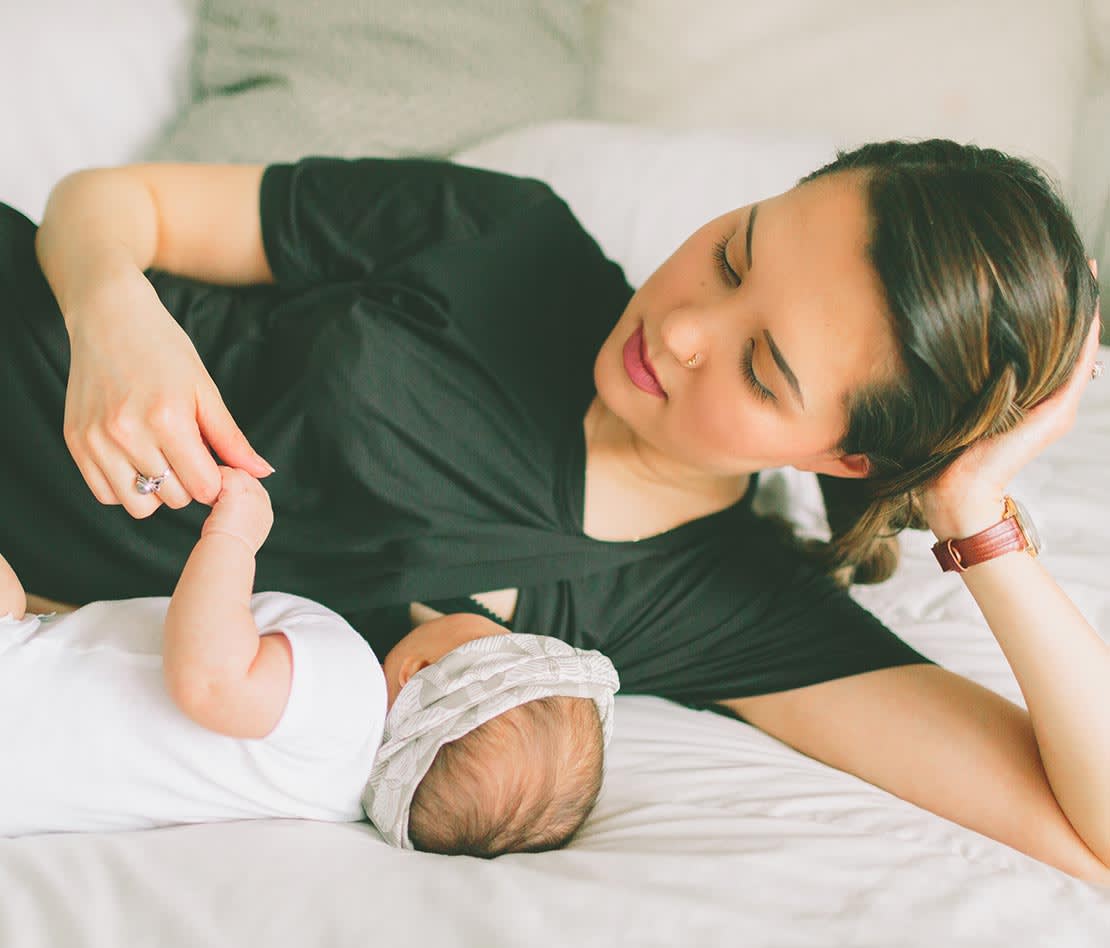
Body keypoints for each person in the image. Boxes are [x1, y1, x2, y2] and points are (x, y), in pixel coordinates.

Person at [0, 138, 1107, 882]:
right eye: (732, 254)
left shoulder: (722, 607)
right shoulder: (508, 240)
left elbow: (1093, 834)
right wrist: (114, 313)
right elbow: (111, 203)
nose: (679, 330)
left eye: (763, 372)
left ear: (851, 455)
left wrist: (974, 508)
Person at [0, 466, 619, 856]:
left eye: (500, 634)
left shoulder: (345, 686)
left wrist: (234, 538)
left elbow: (210, 677)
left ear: (419, 674)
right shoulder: (329, 795)